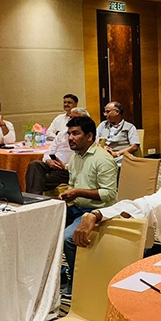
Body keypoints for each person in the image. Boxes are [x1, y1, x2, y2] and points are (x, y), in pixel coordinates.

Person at [60, 116, 118, 290]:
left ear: (89, 136)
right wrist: (68, 194)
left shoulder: (103, 159)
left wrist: (78, 192)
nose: (70, 138)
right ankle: (59, 273)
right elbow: (73, 184)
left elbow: (109, 194)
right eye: (69, 134)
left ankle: (78, 281)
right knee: (45, 227)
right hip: (76, 207)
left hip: (97, 212)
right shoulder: (76, 157)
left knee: (68, 237)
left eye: (75, 133)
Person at [25, 107, 90, 195]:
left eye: (75, 118)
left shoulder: (87, 136)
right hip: (53, 165)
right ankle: (35, 198)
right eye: (70, 117)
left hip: (69, 169)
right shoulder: (62, 134)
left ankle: (33, 199)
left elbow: (85, 159)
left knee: (36, 179)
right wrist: (49, 161)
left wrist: (65, 166)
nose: (71, 120)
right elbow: (48, 152)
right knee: (35, 165)